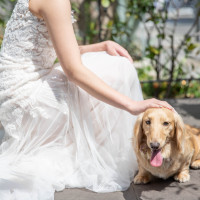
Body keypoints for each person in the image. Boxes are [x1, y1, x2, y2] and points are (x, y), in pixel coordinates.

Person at [0, 0, 173, 199]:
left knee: (107, 62)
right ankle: (97, 154)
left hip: (13, 100)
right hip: (27, 101)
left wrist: (101, 45)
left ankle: (89, 146)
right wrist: (131, 104)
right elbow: (73, 71)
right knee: (119, 69)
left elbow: (58, 47)